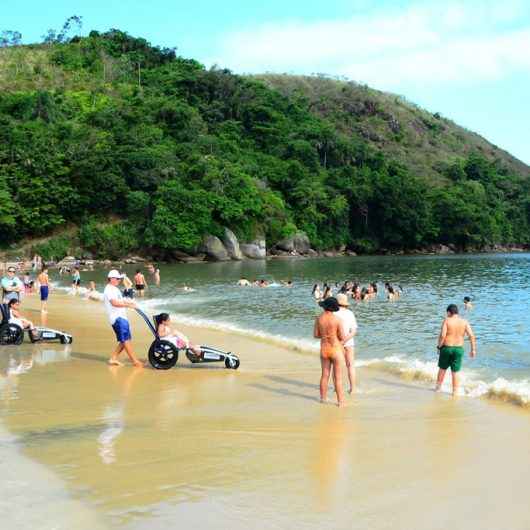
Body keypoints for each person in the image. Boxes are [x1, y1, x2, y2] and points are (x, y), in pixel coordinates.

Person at [103, 270, 143, 367]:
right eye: (117, 279)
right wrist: (129, 305)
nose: (119, 280)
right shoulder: (109, 290)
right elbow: (114, 303)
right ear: (111, 279)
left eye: (119, 279)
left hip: (121, 317)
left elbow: (120, 300)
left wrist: (130, 303)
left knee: (125, 339)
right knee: (125, 340)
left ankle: (113, 358)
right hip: (117, 318)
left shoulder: (114, 289)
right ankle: (135, 361)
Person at [435, 304, 477, 396]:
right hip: (458, 349)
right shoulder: (464, 322)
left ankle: (438, 388)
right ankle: (455, 392)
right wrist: (473, 349)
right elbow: (471, 336)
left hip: (446, 348)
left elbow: (442, 335)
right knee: (455, 372)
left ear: (449, 312)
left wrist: (439, 347)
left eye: (447, 313)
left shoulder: (447, 320)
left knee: (442, 369)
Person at [314, 296, 345, 407]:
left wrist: (325, 335)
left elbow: (316, 335)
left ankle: (323, 399)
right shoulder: (337, 320)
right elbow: (342, 336)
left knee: (324, 375)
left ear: (325, 307)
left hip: (324, 349)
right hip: (335, 349)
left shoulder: (319, 318)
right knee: (338, 377)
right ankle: (340, 402)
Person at [335, 293, 358, 394]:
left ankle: (337, 388)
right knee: (350, 365)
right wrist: (345, 340)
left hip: (336, 342)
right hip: (349, 342)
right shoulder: (350, 313)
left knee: (337, 366)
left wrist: (340, 341)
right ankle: (352, 389)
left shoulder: (333, 313)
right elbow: (353, 331)